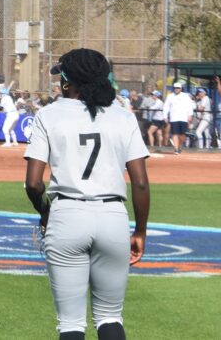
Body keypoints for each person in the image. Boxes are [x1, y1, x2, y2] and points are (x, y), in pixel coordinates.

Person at [24, 48, 150, 340]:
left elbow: (33, 183)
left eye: (61, 80)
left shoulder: (49, 114)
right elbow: (141, 183)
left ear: (68, 82)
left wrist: (45, 212)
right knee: (110, 317)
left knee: (70, 324)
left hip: (67, 215)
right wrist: (140, 231)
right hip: (113, 216)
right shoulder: (123, 117)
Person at [163, 82, 194, 154]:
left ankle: (179, 146)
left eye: (178, 88)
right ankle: (176, 149)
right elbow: (166, 107)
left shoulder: (185, 96)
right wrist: (165, 116)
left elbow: (190, 106)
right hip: (174, 118)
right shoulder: (170, 96)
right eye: (175, 88)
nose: (176, 89)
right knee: (175, 134)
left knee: (183, 135)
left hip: (184, 118)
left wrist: (190, 115)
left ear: (181, 89)